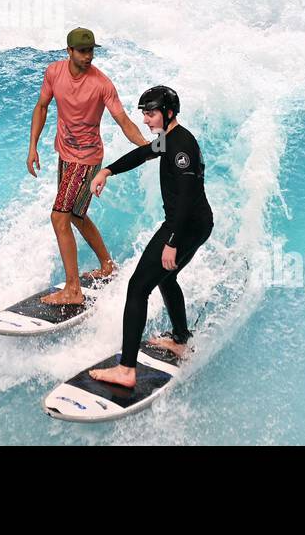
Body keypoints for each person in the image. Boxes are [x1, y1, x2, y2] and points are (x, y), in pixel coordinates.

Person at [86, 86, 214, 389]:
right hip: (194, 224)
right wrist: (108, 170)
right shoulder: (168, 140)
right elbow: (143, 153)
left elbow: (185, 199)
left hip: (184, 226)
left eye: (150, 112)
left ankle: (127, 369)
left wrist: (171, 242)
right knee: (166, 279)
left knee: (137, 288)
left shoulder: (181, 147)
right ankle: (181, 340)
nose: (144, 119)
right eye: (143, 112)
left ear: (168, 113)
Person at [28, 27, 147, 306]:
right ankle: (107, 265)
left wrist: (147, 146)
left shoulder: (102, 84)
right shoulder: (54, 72)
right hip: (65, 155)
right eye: (82, 51)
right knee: (76, 215)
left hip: (87, 160)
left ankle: (73, 290)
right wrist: (32, 146)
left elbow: (124, 121)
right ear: (69, 51)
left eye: (91, 50)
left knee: (59, 217)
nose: (88, 56)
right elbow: (42, 106)